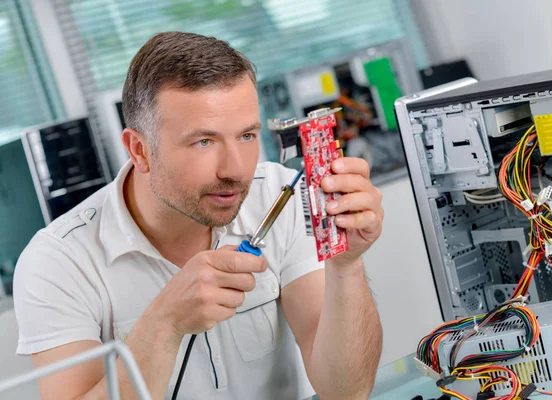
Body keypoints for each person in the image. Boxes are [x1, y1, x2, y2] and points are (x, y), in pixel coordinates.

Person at [13, 32, 384, 400]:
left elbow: (346, 391)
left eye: (246, 136)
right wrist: (165, 324)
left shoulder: (279, 195)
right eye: (203, 142)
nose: (235, 170)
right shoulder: (57, 262)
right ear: (140, 150)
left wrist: (346, 265)